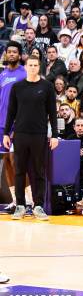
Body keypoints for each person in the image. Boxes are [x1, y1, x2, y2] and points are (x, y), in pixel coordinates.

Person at [3, 55, 58, 221]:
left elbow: (52, 113)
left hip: (39, 134)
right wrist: (6, 133)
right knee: (19, 170)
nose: (33, 68)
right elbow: (11, 112)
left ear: (39, 67)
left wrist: (55, 135)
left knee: (39, 170)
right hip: (20, 134)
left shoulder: (47, 87)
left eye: (35, 65)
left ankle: (38, 205)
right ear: (25, 67)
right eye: (30, 65)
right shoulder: (17, 87)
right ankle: (20, 205)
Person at [0, 42, 27, 214]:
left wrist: (17, 125)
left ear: (19, 54)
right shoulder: (2, 74)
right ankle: (13, 200)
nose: (11, 54)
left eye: (14, 52)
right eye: (9, 52)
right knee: (6, 164)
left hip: (16, 125)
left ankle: (25, 200)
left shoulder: (23, 74)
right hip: (1, 125)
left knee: (16, 163)